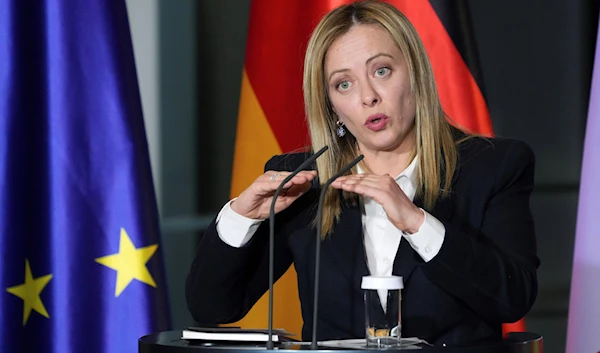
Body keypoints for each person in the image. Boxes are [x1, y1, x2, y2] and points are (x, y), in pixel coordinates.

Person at [185, 0, 538, 346]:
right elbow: (214, 306)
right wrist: (240, 217)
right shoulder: (305, 181)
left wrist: (417, 223)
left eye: (381, 70)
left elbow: (512, 299)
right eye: (344, 84)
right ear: (332, 107)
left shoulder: (492, 166)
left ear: (415, 72)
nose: (368, 96)